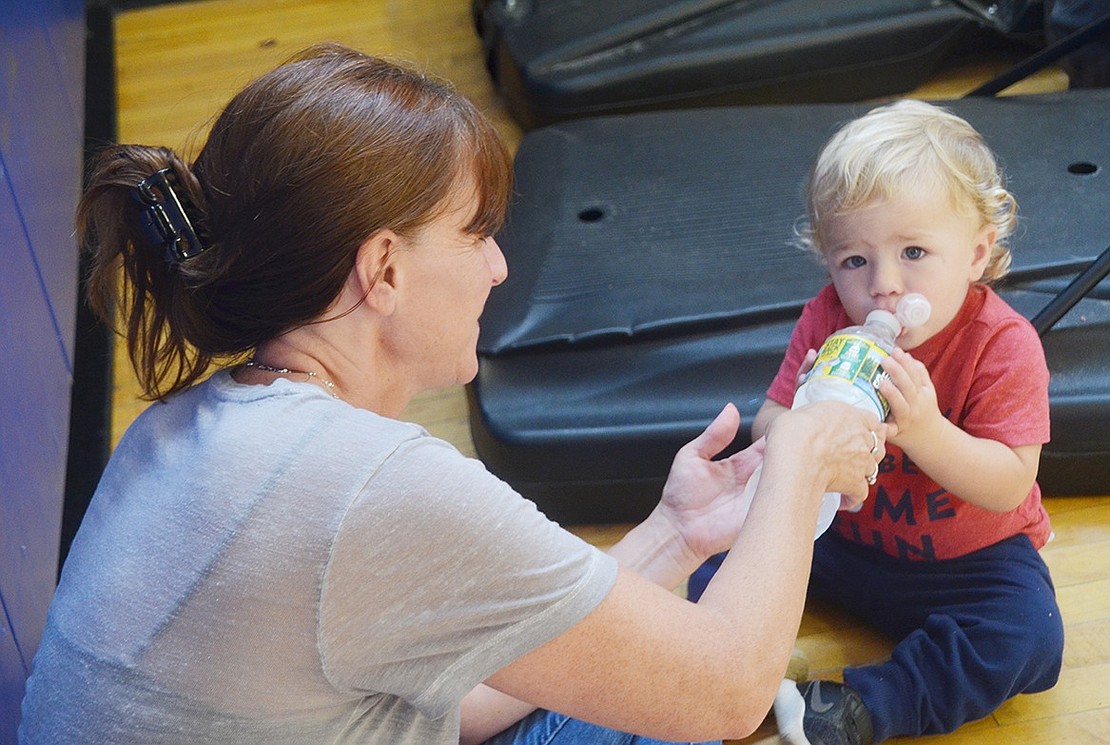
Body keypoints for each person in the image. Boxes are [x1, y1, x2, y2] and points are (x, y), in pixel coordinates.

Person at [18, 44, 886, 745]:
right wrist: (804, 452)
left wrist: (679, 533)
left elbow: (441, 702)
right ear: (384, 270)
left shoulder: (187, 428)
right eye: (475, 233)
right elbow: (727, 693)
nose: (499, 265)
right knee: (676, 716)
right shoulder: (370, 488)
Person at [743, 99, 1061, 745]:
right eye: (854, 260)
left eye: (913, 250)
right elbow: (766, 422)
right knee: (729, 528)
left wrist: (927, 430)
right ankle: (717, 664)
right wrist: (801, 418)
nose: (883, 285)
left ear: (977, 254)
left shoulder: (1004, 344)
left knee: (1029, 633)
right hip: (843, 539)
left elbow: (1008, 483)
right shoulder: (830, 318)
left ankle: (862, 707)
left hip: (968, 560)